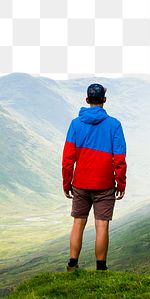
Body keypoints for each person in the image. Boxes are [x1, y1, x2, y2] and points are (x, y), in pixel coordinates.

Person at [62, 83, 127, 271]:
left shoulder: (75, 124)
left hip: (80, 184)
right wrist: (121, 183)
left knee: (78, 222)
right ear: (104, 100)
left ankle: (72, 265)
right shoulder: (114, 125)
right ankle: (101, 268)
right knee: (102, 226)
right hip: (105, 185)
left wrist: (67, 182)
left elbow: (68, 159)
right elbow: (119, 158)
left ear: (87, 100)